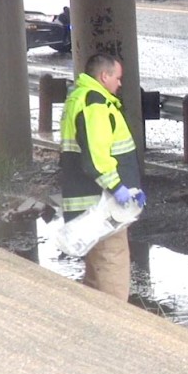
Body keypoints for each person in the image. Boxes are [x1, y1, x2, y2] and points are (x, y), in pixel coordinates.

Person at [60, 52, 145, 301]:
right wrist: (118, 188)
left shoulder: (79, 98)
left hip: (90, 207)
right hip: (103, 209)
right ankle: (114, 335)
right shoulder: (95, 103)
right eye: (117, 78)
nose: (120, 84)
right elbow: (97, 158)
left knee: (95, 279)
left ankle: (91, 331)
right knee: (112, 279)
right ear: (104, 75)